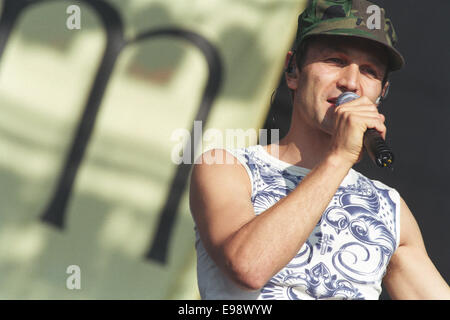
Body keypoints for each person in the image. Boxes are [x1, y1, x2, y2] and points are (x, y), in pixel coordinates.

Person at [189, 0, 450, 300]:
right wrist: (338, 158)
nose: (351, 82)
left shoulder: (389, 209)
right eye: (335, 61)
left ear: (382, 93)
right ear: (293, 71)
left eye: (369, 71)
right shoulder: (229, 168)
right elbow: (249, 266)